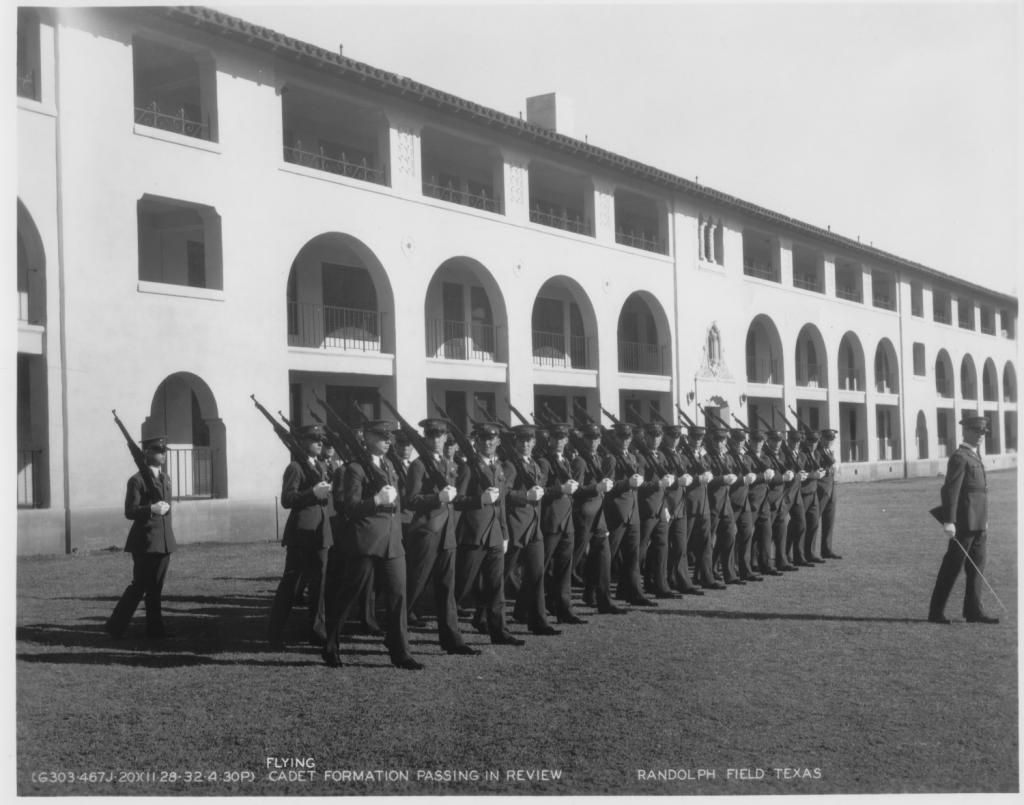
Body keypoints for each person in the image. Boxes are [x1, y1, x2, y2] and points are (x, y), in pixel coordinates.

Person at [322, 420, 423, 669]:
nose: (387, 441)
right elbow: (349, 507)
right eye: (381, 436)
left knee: (398, 596)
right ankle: (330, 645)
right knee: (349, 595)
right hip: (366, 541)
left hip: (392, 541)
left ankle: (401, 652)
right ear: (366, 437)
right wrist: (376, 500)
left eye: (388, 437)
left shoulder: (389, 464)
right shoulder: (355, 468)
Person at [403, 418, 478, 655]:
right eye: (431, 436)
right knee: (413, 586)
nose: (436, 440)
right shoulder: (418, 465)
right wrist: (437, 498)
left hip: (448, 533)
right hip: (427, 531)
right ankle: (395, 633)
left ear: (446, 438)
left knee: (447, 588)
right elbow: (411, 501)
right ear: (425, 438)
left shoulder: (449, 464)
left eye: (440, 435)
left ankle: (452, 640)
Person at [453, 423, 524, 646]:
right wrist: (479, 500)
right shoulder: (468, 468)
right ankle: (450, 632)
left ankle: (499, 632)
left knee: (496, 588)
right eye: (483, 439)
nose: (488, 443)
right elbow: (457, 501)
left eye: (492, 439)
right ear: (477, 442)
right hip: (473, 535)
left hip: (494, 535)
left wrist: (504, 533)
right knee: (460, 587)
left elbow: (501, 503)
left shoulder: (500, 467)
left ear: (499, 442)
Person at [268, 424, 334, 649]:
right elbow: (287, 499)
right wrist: (311, 493)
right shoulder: (295, 467)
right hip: (302, 533)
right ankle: (275, 632)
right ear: (303, 441)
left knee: (320, 584)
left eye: (321, 439)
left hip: (321, 531)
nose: (320, 443)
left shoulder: (322, 464)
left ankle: (317, 631)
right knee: (292, 584)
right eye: (315, 439)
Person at [928, 416, 998, 625]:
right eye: (976, 431)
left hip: (978, 523)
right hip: (964, 524)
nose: (980, 436)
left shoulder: (974, 456)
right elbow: (951, 490)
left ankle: (973, 611)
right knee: (952, 568)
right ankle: (935, 612)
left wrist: (984, 520)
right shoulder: (960, 457)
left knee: (977, 569)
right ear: (965, 431)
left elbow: (978, 493)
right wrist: (949, 521)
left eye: (983, 432)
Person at [106, 435, 177, 639]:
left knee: (156, 590)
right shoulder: (136, 480)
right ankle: (115, 626)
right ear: (146, 453)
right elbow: (130, 511)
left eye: (164, 451)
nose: (162, 454)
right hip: (145, 542)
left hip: (163, 541)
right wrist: (151, 508)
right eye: (158, 451)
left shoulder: (165, 478)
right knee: (139, 587)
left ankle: (155, 631)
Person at [504, 425, 560, 635]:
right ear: (515, 442)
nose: (525, 444)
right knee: (502, 574)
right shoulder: (510, 465)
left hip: (534, 528)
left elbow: (540, 491)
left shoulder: (535, 464)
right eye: (521, 441)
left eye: (529, 441)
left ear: (534, 442)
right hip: (517, 526)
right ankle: (483, 615)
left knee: (536, 575)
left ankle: (538, 622)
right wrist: (525, 496)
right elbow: (504, 493)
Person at [815, 428, 841, 559]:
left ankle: (826, 549)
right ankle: (807, 552)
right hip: (821, 488)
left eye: (832, 439)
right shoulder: (817, 451)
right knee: (814, 521)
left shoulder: (830, 451)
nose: (830, 442)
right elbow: (817, 468)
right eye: (827, 439)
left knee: (829, 520)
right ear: (822, 439)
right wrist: (828, 470)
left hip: (832, 487)